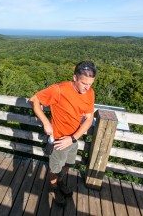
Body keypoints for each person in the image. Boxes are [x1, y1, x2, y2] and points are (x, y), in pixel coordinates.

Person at [29, 60, 96, 206]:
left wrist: (73, 138)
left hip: (73, 139)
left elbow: (89, 118)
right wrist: (46, 122)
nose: (87, 87)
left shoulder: (90, 93)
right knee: (55, 168)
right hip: (59, 140)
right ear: (75, 78)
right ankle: (53, 189)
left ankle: (60, 183)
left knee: (68, 164)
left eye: (90, 84)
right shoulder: (59, 90)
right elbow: (34, 100)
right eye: (84, 83)